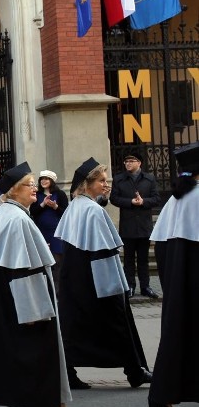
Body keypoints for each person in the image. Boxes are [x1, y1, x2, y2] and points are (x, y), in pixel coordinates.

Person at [0, 163, 90, 407]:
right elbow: (24, 268)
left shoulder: (7, 213)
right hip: (28, 300)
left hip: (9, 300)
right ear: (14, 191)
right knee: (44, 351)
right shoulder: (17, 218)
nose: (35, 187)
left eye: (35, 183)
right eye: (29, 184)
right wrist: (34, 312)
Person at [54, 157, 152, 391]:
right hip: (98, 280)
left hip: (76, 280)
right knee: (118, 323)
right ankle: (134, 371)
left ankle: (70, 372)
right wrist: (114, 288)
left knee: (75, 327)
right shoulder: (92, 210)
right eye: (101, 181)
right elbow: (104, 252)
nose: (106, 184)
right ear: (87, 184)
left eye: (106, 180)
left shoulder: (76, 207)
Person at [147, 141, 199, 407]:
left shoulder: (176, 198)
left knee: (177, 336)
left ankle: (164, 396)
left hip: (179, 284)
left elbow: (162, 244)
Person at [109, 154, 161, 298]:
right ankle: (130, 286)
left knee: (143, 259)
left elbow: (156, 198)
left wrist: (143, 201)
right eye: (126, 161)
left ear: (139, 163)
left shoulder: (149, 178)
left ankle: (146, 286)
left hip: (144, 225)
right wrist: (130, 202)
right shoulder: (119, 179)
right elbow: (114, 198)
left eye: (131, 161)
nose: (128, 164)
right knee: (129, 259)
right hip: (128, 225)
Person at [30, 170, 68, 289]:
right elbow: (33, 212)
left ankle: (58, 288)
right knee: (43, 259)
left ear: (51, 181)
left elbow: (66, 213)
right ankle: (45, 288)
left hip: (56, 232)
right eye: (42, 179)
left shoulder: (60, 194)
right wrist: (43, 204)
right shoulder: (37, 194)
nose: (43, 181)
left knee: (57, 261)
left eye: (46, 179)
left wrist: (55, 206)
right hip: (41, 231)